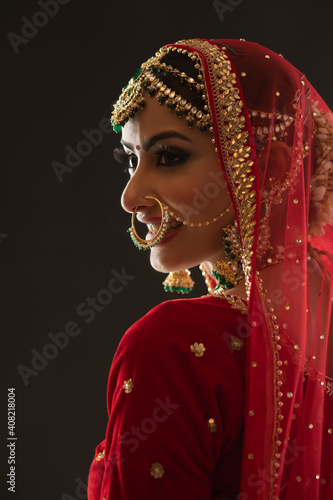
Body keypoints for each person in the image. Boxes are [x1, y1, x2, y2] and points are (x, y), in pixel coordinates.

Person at [87, 39, 333, 500]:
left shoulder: (174, 345)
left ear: (271, 170)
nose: (130, 196)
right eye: (131, 161)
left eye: (170, 157)